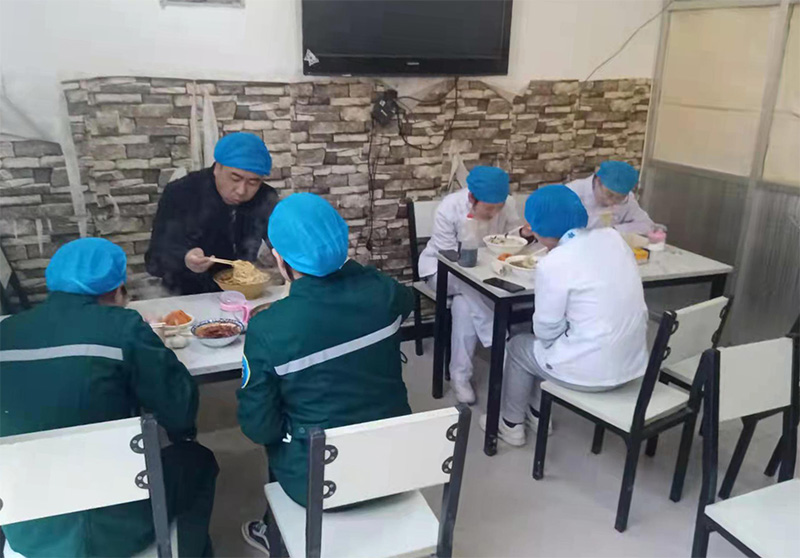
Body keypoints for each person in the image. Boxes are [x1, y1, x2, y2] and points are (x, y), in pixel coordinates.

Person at [0, 238, 218, 558]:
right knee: (198, 461)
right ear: (116, 290)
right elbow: (179, 410)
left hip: (29, 531)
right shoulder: (123, 326)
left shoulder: (6, 331)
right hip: (117, 530)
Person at [236, 193, 413, 554]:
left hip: (316, 484)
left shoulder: (269, 328)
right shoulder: (384, 294)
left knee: (277, 432)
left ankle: (275, 532)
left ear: (280, 260)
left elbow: (259, 428)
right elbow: (404, 300)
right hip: (394, 464)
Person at [486, 185, 649, 447]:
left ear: (538, 229)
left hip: (591, 373)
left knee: (519, 346)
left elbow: (545, 332)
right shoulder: (612, 238)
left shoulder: (554, 262)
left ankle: (511, 425)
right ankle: (538, 416)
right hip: (632, 364)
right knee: (547, 346)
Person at [418, 166, 534, 404]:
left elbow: (509, 238)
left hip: (485, 275)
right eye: (489, 208)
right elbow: (448, 256)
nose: (494, 213)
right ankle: (501, 343)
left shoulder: (507, 204)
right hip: (442, 272)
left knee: (463, 306)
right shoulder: (449, 208)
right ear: (472, 198)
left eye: (498, 207)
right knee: (468, 288)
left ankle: (460, 377)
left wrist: (522, 232)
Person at [145, 132, 279, 295]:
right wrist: (185, 258)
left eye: (253, 182)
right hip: (188, 294)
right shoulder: (181, 192)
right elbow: (154, 260)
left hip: (245, 292)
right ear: (217, 168)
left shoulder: (265, 197)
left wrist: (280, 255)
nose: (241, 191)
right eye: (235, 178)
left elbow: (281, 241)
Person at [566, 160, 654, 235]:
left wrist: (614, 230)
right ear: (598, 181)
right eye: (609, 194)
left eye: (619, 198)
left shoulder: (627, 199)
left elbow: (647, 224)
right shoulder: (571, 193)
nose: (611, 202)